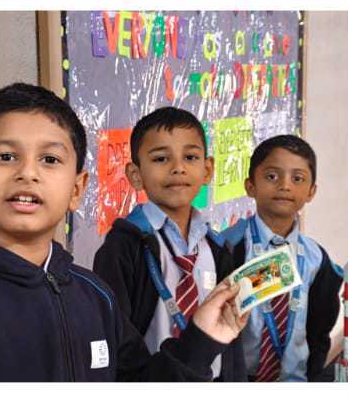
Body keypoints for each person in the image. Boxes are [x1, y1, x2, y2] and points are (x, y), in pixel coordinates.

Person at [0, 83, 243, 381]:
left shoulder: (96, 296)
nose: (27, 173)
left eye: (50, 159)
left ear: (77, 189)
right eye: (6, 157)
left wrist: (201, 339)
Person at [94, 107, 240, 379]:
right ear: (135, 175)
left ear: (207, 170)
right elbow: (115, 341)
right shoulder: (122, 248)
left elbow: (232, 340)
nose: (178, 168)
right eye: (161, 158)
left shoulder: (218, 249)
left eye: (190, 157)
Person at [212, 134, 340, 381]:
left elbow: (320, 329)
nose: (285, 186)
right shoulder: (226, 249)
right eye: (272, 176)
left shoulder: (316, 259)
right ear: (250, 186)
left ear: (311, 192)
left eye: (297, 179)